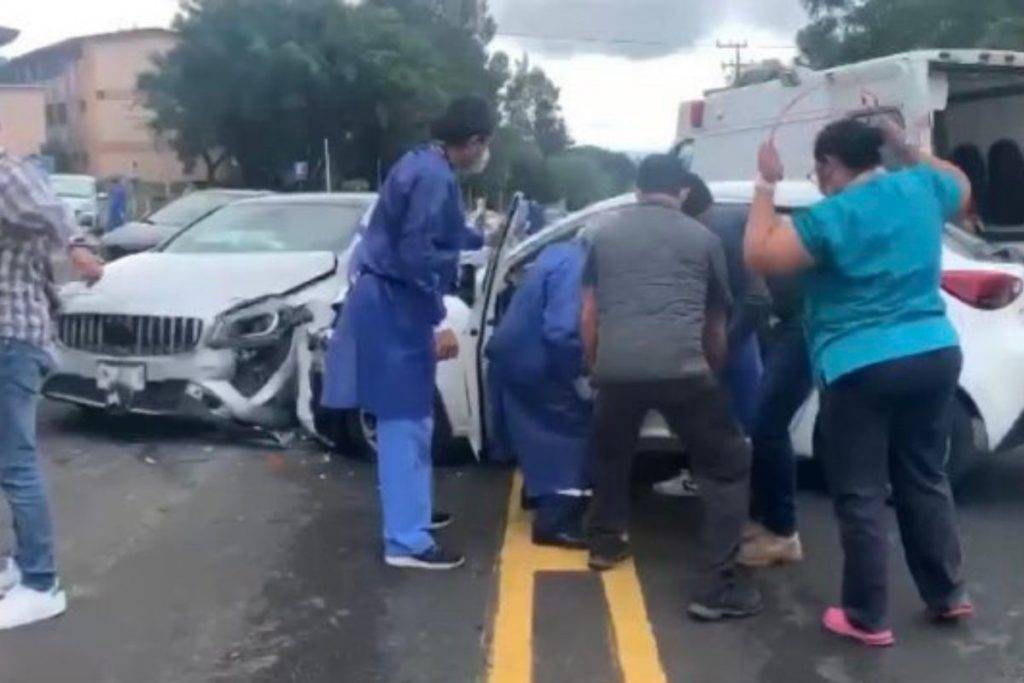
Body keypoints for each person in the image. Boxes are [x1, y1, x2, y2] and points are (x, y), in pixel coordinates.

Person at [744, 118, 973, 646]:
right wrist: (907, 146)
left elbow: (760, 254)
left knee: (862, 491)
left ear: (829, 166)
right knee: (924, 475)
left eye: (816, 169)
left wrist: (765, 185)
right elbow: (962, 188)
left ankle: (868, 617)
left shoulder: (832, 216)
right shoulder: (921, 187)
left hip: (859, 363)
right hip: (935, 351)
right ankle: (948, 595)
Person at [582, 154, 761, 622]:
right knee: (725, 465)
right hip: (683, 368)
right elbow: (715, 322)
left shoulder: (603, 234)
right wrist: (711, 371)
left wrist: (598, 366)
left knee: (611, 451)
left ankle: (605, 543)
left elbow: (588, 313)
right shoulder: (702, 239)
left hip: (618, 369)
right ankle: (720, 585)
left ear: (638, 188)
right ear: (681, 191)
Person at [321, 97, 494, 570]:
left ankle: (412, 514)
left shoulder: (421, 164)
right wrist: (438, 316)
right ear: (475, 141)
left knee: (412, 419)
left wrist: (481, 242)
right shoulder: (434, 177)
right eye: (485, 145)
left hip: (388, 300)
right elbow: (417, 252)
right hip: (398, 303)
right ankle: (406, 541)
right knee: (404, 422)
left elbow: (441, 233)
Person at [0, 141, 104, 629]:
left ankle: (42, 583)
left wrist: (80, 248)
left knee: (16, 463)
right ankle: (18, 564)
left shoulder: (7, 173)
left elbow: (53, 210)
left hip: (11, 339)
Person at [653, 173, 769, 498]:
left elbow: (756, 298)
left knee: (730, 418)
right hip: (733, 334)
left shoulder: (717, 231)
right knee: (727, 418)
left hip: (733, 338)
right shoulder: (724, 221)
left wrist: (724, 347)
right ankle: (716, 481)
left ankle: (733, 492)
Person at [487, 239, 592, 549]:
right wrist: (578, 376)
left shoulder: (559, 252)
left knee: (533, 433)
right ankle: (556, 523)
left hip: (513, 356)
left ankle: (537, 494)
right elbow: (563, 331)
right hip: (540, 362)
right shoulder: (581, 266)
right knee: (571, 433)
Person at [737, 273, 811, 568]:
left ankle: (782, 532)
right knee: (762, 424)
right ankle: (767, 520)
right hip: (782, 322)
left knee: (768, 424)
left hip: (804, 324)